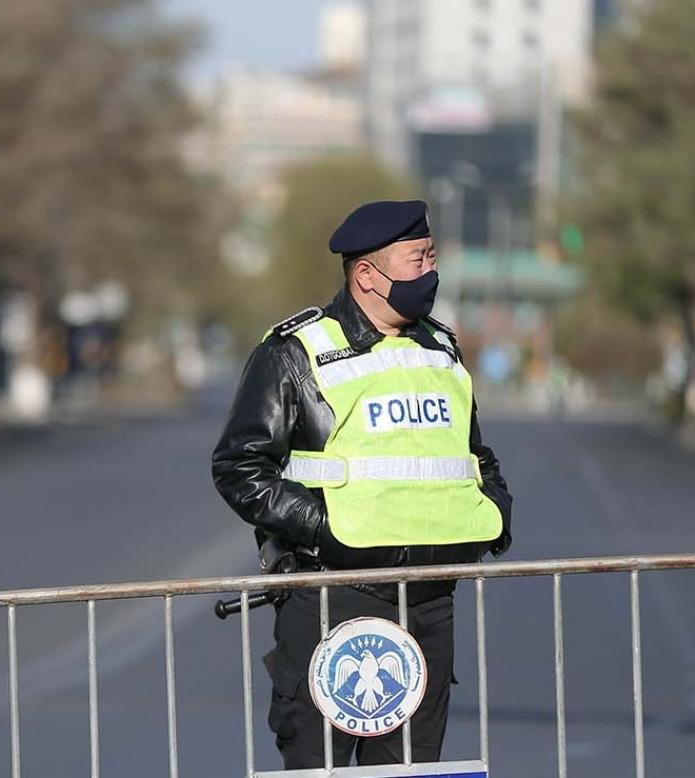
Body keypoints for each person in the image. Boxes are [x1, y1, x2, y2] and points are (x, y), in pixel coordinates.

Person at [211, 200, 513, 769]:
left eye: (431, 257)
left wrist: (493, 514)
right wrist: (330, 531)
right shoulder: (295, 353)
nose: (430, 272)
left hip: (429, 600)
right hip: (334, 598)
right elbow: (239, 468)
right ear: (367, 276)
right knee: (318, 767)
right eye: (416, 260)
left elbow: (474, 456)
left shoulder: (440, 347)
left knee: (410, 769)